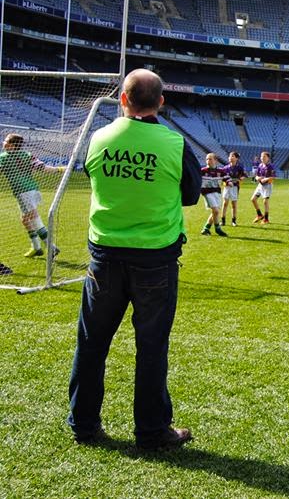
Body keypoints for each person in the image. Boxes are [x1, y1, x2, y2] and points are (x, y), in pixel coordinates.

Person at [67, 68, 201, 450]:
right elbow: (191, 194)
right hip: (155, 258)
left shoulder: (99, 138)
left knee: (91, 343)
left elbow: (94, 176)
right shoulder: (174, 143)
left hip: (105, 256)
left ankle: (83, 424)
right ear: (161, 102)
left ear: (122, 99)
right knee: (152, 347)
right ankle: (152, 431)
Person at [0, 133, 62, 258]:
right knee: (25, 219)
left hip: (22, 191)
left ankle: (51, 247)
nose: (3, 142)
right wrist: (59, 169)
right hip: (33, 189)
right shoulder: (27, 154)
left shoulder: (3, 157)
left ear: (12, 145)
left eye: (6, 141)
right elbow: (43, 168)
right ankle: (36, 247)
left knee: (34, 218)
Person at [200, 152, 228, 237]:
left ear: (216, 160)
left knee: (215, 212)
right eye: (207, 159)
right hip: (207, 192)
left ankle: (206, 228)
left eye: (210, 159)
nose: (208, 161)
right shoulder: (202, 171)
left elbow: (226, 177)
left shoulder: (221, 171)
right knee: (215, 211)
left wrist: (229, 182)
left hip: (217, 193)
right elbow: (196, 179)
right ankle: (218, 229)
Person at [220, 151, 246, 226]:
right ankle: (223, 220)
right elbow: (222, 177)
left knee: (233, 204)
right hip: (227, 187)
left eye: (232, 156)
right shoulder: (225, 168)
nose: (230, 157)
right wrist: (227, 182)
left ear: (236, 158)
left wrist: (240, 179)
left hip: (235, 187)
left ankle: (233, 221)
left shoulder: (239, 167)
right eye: (229, 156)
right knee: (225, 203)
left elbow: (244, 175)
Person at [251, 151, 275, 224]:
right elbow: (257, 175)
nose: (262, 158)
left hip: (267, 186)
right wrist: (257, 178)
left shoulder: (270, 166)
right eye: (261, 156)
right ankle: (259, 215)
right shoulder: (260, 165)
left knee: (265, 201)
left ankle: (266, 219)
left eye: (264, 156)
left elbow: (273, 177)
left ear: (268, 158)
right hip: (260, 185)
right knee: (253, 199)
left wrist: (266, 179)